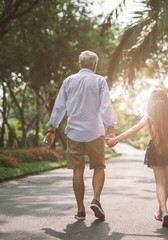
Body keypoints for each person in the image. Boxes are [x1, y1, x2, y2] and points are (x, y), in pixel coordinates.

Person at [43, 51, 115, 221]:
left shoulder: (69, 81)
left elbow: (59, 106)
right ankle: (96, 200)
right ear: (94, 65)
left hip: (74, 133)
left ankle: (80, 209)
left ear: (79, 64)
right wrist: (110, 129)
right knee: (98, 167)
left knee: (78, 170)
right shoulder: (99, 81)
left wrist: (51, 130)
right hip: (95, 132)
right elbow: (106, 106)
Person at [107, 88, 168, 227]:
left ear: (151, 101)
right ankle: (162, 211)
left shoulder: (150, 115)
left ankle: (163, 210)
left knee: (159, 183)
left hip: (155, 149)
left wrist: (116, 139)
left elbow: (133, 130)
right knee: (166, 182)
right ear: (167, 100)